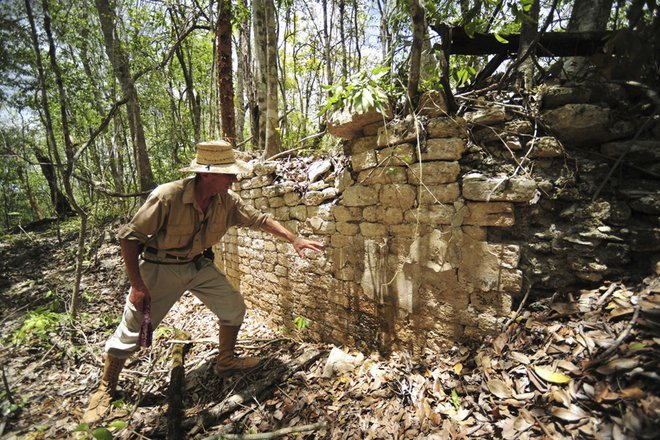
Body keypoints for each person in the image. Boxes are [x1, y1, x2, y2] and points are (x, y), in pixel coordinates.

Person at [83, 140, 324, 424]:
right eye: (228, 174)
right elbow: (129, 237)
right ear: (206, 173)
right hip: (160, 267)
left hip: (198, 265)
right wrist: (137, 285)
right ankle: (106, 388)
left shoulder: (227, 201)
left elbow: (259, 219)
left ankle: (226, 361)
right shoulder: (167, 196)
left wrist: (293, 238)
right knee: (135, 328)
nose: (234, 179)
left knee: (233, 307)